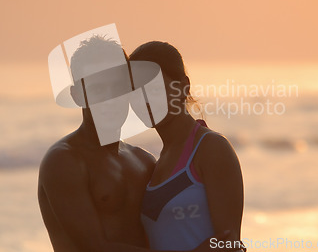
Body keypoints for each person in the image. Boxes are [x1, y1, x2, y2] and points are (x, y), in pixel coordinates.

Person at [38, 36, 238, 252]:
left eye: (118, 87)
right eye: (97, 89)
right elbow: (95, 248)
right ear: (77, 95)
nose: (109, 98)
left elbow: (223, 240)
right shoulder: (64, 161)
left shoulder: (144, 162)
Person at [130, 41, 246, 252]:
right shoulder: (153, 164)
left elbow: (230, 244)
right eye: (135, 90)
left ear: (183, 86)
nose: (144, 99)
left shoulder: (211, 149)